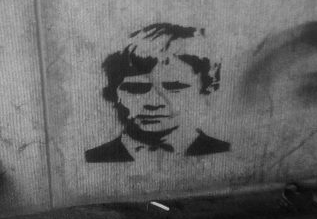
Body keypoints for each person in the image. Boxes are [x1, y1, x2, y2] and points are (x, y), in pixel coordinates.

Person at [85, 23, 230, 163]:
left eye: (174, 87)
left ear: (206, 89)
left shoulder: (225, 154)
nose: (153, 103)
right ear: (114, 93)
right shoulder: (95, 158)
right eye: (136, 89)